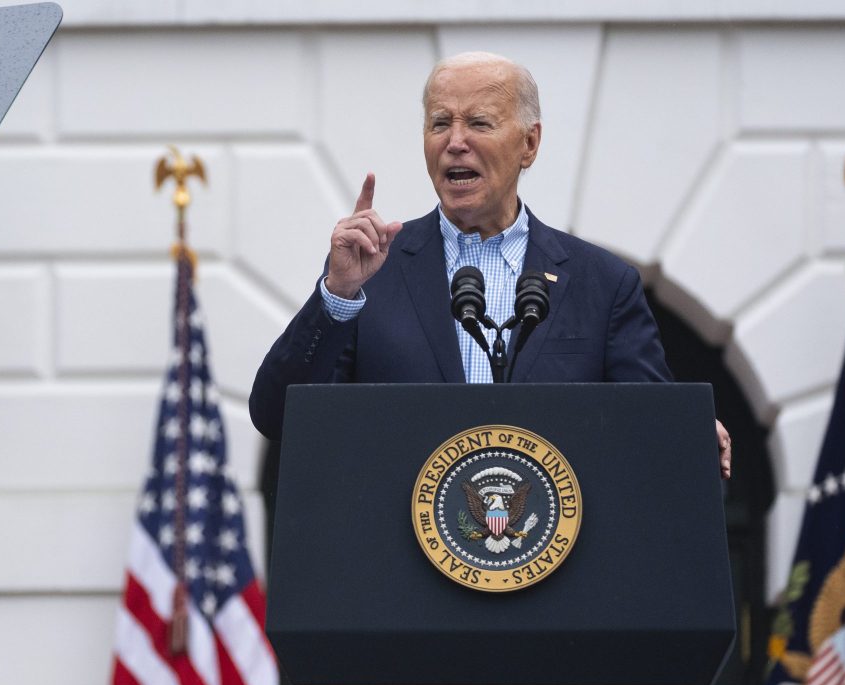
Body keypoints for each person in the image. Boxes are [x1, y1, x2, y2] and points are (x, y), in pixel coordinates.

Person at [249, 51, 733, 478]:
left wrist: (684, 429)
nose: (455, 141)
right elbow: (278, 417)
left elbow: (649, 429)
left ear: (529, 144)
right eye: (440, 123)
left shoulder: (602, 284)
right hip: (401, 570)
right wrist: (337, 296)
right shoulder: (372, 273)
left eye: (479, 123)